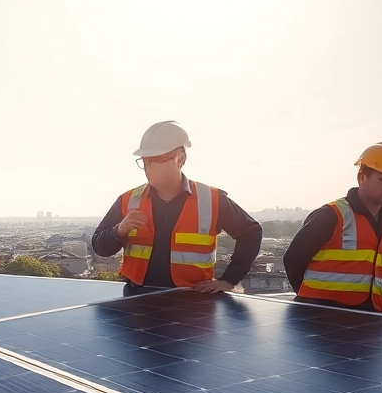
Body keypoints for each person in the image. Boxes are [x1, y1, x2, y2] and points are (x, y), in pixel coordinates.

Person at [92, 121, 262, 296]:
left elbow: (251, 232)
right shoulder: (128, 200)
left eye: (157, 160)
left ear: (180, 159)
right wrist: (118, 231)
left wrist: (228, 280)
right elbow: (99, 246)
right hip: (136, 299)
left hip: (194, 300)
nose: (149, 168)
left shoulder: (211, 199)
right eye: (145, 162)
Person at [284, 143, 382, 314]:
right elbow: (293, 259)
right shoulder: (331, 215)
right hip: (320, 317)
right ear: (362, 177)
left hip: (373, 319)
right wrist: (310, 300)